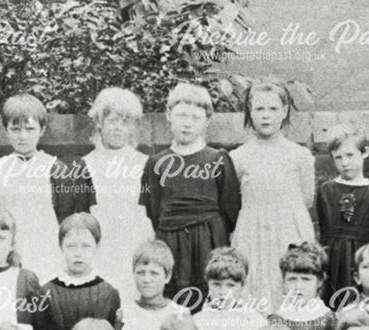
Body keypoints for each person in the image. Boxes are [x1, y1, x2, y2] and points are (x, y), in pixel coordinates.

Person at [140, 82, 241, 310]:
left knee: (211, 298)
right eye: (181, 116)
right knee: (174, 304)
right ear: (168, 115)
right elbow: (154, 209)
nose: (187, 123)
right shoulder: (157, 163)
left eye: (195, 118)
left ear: (207, 120)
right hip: (171, 241)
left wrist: (212, 233)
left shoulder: (218, 159)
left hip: (210, 240)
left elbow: (231, 208)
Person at [0, 93, 96, 283]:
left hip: (46, 251)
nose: (23, 136)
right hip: (9, 250)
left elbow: (65, 217)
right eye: (16, 129)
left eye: (30, 129)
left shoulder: (55, 168)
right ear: (5, 130)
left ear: (42, 130)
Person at [230, 80, 314, 310]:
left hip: (288, 235)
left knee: (288, 292)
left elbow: (307, 199)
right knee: (253, 295)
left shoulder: (299, 155)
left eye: (273, 109)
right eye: (259, 109)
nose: (266, 116)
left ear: (285, 111)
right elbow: (233, 202)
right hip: (251, 236)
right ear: (249, 112)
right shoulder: (239, 157)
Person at [81, 87, 152, 297]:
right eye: (113, 121)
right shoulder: (86, 165)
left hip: (135, 244)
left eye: (125, 122)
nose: (118, 128)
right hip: (102, 247)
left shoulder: (145, 164)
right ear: (100, 123)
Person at [37, 213, 121, 330]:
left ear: (97, 246)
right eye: (71, 246)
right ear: (61, 247)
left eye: (85, 246)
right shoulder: (45, 293)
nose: (78, 253)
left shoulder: (109, 293)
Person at [316, 123, 369, 304]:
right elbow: (324, 231)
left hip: (360, 261)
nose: (344, 163)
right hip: (331, 260)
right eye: (338, 157)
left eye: (350, 155)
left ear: (365, 153)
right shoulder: (326, 190)